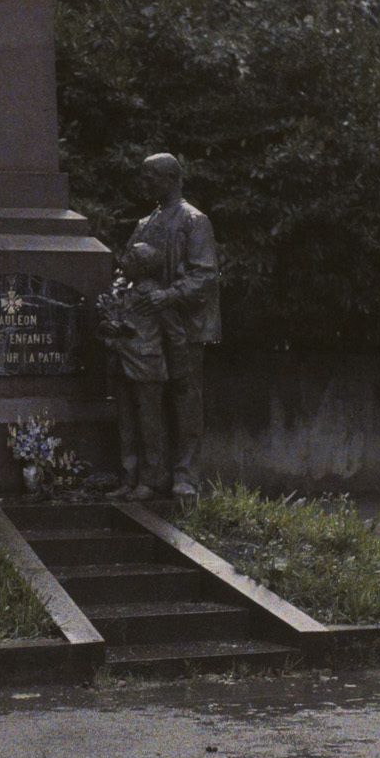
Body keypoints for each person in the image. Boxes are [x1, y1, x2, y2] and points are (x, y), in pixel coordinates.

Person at [123, 152, 219, 498]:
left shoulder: (194, 220)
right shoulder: (144, 223)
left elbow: (204, 275)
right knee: (149, 401)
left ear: (171, 179)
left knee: (185, 398)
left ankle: (186, 476)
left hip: (185, 326)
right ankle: (152, 476)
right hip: (148, 328)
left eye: (150, 177)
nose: (144, 183)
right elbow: (128, 269)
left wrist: (167, 296)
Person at [97, 235, 170, 498]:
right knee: (126, 426)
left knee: (149, 428)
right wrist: (109, 330)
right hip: (122, 364)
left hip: (147, 367)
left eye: (129, 258)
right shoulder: (123, 291)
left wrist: (179, 369)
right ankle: (129, 479)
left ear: (142, 266)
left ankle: (149, 482)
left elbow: (173, 333)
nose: (123, 261)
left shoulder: (155, 296)